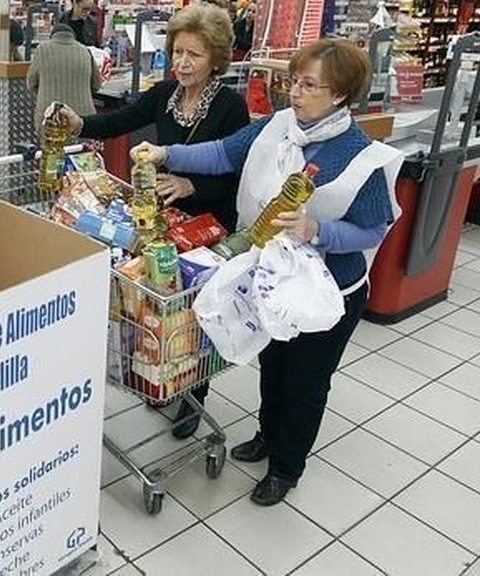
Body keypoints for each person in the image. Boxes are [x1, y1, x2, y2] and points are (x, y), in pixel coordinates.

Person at [131, 39, 403, 506]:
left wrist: (317, 230)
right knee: (272, 367)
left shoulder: (362, 156)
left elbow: (373, 229)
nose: (295, 93)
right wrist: (166, 155)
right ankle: (264, 435)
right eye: (294, 82)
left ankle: (286, 466)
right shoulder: (279, 127)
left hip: (327, 294)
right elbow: (221, 154)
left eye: (309, 85)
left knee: (305, 383)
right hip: (270, 279)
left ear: (339, 95)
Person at [50, 3, 250, 440]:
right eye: (177, 51)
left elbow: (238, 175)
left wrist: (192, 186)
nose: (181, 62)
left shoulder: (232, 108)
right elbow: (122, 120)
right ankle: (161, 376)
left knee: (195, 314)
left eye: (193, 54)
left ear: (215, 58)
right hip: (162, 221)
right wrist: (79, 122)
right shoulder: (165, 94)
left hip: (210, 225)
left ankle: (195, 397)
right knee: (157, 303)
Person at [27, 24, 102, 131]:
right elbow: (96, 85)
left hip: (50, 118)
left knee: (51, 146)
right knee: (82, 147)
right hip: (83, 119)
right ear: (72, 36)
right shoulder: (85, 51)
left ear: (52, 36)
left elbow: (31, 83)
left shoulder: (42, 50)